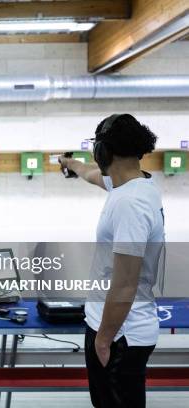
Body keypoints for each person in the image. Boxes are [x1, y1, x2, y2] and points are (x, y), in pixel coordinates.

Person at [59, 114, 164, 408]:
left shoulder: (129, 204)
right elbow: (92, 174)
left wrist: (103, 340)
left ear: (104, 151)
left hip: (120, 334)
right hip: (118, 328)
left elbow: (125, 283)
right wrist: (70, 164)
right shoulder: (135, 185)